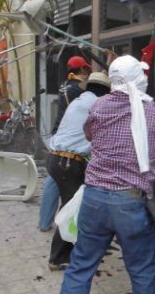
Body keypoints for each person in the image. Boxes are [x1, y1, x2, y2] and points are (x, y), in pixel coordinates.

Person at [48, 55, 155, 294]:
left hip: (94, 198)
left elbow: (90, 134)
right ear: (139, 80)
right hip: (131, 203)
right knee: (143, 270)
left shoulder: (99, 105)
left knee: (81, 266)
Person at [46, 72, 111, 270]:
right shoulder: (97, 105)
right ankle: (58, 258)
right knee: (72, 208)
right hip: (68, 162)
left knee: (71, 206)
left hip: (57, 158)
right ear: (105, 91)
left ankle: (68, 252)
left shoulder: (78, 101)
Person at [54, 56, 91, 132]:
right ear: (82, 69)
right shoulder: (79, 87)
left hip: (59, 130)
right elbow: (99, 81)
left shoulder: (64, 84)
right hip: (69, 132)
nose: (88, 72)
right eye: (87, 69)